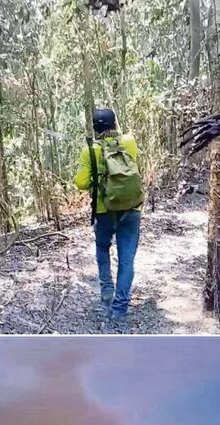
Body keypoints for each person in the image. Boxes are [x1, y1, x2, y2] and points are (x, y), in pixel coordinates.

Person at [74, 108, 144, 323]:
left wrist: (98, 176)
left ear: (95, 128)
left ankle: (106, 290)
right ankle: (120, 309)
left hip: (104, 212)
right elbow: (136, 167)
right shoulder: (129, 142)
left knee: (103, 248)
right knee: (127, 259)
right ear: (114, 124)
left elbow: (81, 183)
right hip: (131, 209)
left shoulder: (90, 150)